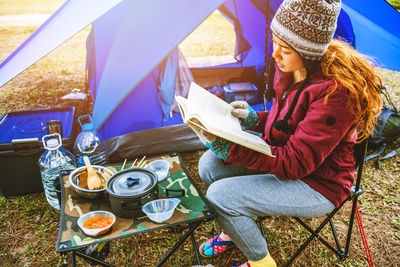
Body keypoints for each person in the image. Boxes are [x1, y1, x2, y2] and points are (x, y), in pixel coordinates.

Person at [195, 0, 382, 266]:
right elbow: (288, 121)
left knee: (221, 195)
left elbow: (295, 163)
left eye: (285, 49)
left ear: (309, 52)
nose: (275, 55)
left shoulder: (335, 94)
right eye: (275, 43)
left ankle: (260, 263)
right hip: (286, 159)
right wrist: (253, 119)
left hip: (318, 184)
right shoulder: (291, 69)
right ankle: (235, 228)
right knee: (210, 164)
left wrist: (236, 150)